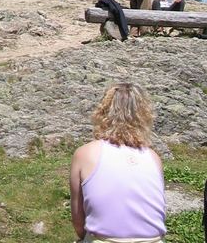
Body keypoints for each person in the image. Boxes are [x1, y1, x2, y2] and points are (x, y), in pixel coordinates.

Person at [70, 82, 166, 243]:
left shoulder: (85, 154)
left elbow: (78, 221)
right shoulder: (153, 157)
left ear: (103, 111)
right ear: (144, 115)